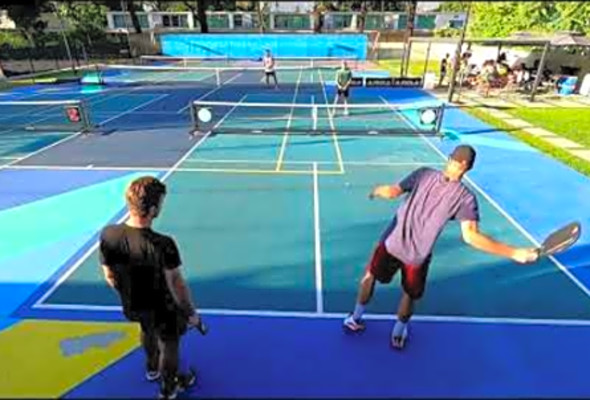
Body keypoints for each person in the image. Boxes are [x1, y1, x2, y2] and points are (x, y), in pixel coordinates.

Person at [343, 145, 539, 349]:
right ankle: (398, 334)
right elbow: (471, 236)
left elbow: (392, 192)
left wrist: (376, 191)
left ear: (452, 160)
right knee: (410, 294)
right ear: (468, 167)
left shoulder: (424, 174)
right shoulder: (465, 198)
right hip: (417, 256)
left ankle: (355, 318)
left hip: (391, 243)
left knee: (370, 275)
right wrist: (515, 253)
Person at [99, 176, 202, 399]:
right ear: (153, 209)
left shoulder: (108, 235)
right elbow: (177, 285)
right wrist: (191, 314)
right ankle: (169, 388)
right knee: (170, 342)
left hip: (132, 306)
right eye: (161, 203)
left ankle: (152, 368)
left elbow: (109, 274)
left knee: (147, 329)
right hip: (161, 309)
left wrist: (128, 293)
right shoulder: (163, 244)